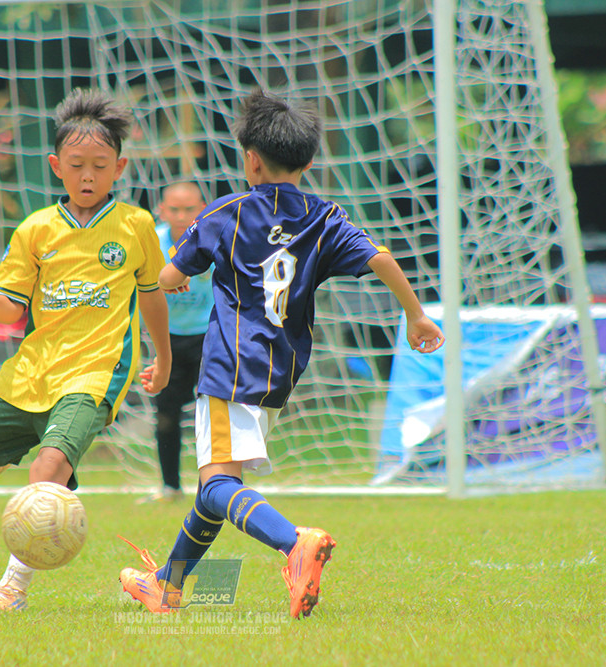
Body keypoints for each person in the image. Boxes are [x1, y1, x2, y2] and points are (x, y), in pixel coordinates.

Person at [118, 90, 444, 619]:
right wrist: (415, 315)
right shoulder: (324, 216)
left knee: (219, 483)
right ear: (309, 161)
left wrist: (165, 279)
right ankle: (166, 585)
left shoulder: (226, 213)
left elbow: (170, 276)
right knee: (214, 488)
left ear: (250, 159)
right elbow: (380, 258)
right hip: (281, 370)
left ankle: (294, 542)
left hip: (227, 366)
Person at [0, 87, 172, 612]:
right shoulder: (35, 229)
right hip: (32, 371)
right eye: (77, 165)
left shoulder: (134, 226)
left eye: (100, 166)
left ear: (119, 168)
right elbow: (12, 310)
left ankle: (11, 589)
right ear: (56, 166)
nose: (88, 176)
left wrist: (165, 358)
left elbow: (152, 296)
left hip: (95, 374)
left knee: (47, 473)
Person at [139, 182, 212, 503]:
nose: (182, 216)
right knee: (166, 415)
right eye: (174, 209)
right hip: (165, 341)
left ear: (202, 208)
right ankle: (170, 487)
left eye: (189, 209)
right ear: (161, 211)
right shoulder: (150, 241)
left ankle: (213, 488)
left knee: (210, 415)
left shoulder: (215, 238)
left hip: (209, 338)